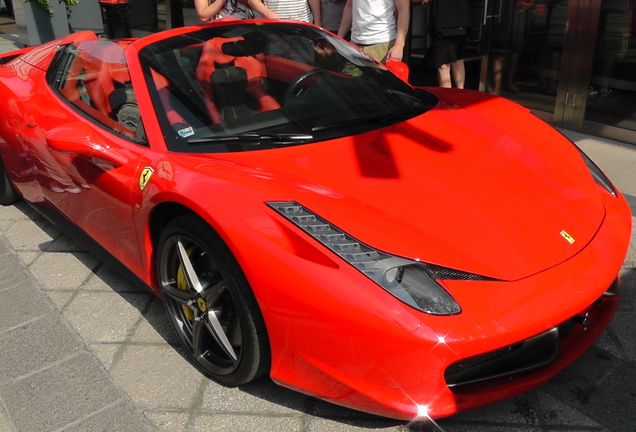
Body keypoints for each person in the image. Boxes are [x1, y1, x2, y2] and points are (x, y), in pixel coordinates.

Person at [337, 0, 410, 63]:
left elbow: (404, 11)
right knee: (350, 79)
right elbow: (349, 6)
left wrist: (399, 46)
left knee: (377, 79)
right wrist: (338, 39)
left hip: (382, 46)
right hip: (355, 44)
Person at [423, 0, 471, 88]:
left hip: (443, 22)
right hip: (462, 20)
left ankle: (448, 97)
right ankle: (461, 94)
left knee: (443, 65)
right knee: (458, 59)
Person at [247, 0, 322, 26]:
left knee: (305, 60)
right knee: (278, 60)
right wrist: (269, 14)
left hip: (302, 28)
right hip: (276, 30)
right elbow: (253, 1)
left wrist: (317, 22)